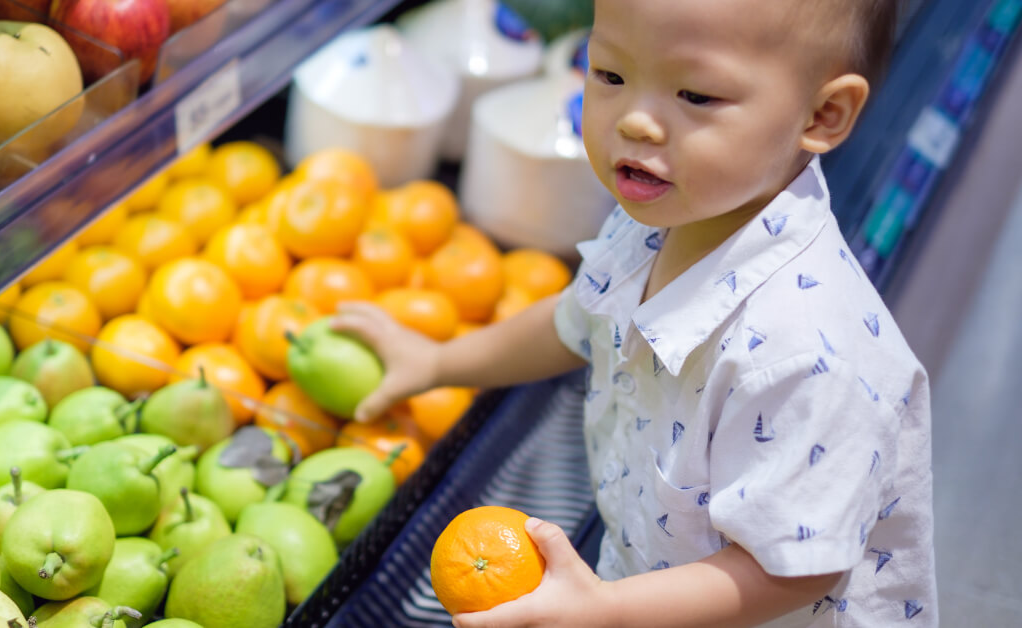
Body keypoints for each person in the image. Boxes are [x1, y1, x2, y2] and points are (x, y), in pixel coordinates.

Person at [332, 0, 938, 625]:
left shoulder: (805, 354)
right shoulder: (666, 217)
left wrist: (608, 611)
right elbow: (577, 321)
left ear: (823, 114)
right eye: (611, 75)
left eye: (696, 95)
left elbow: (795, 568)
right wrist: (436, 361)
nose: (637, 123)